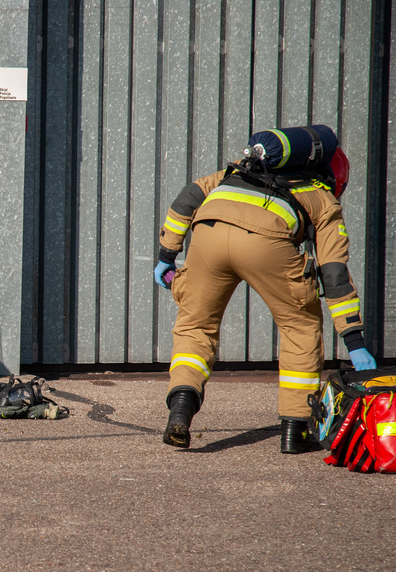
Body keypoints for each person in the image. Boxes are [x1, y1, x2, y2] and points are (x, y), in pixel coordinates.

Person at [153, 125, 377, 454]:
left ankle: (182, 408)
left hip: (209, 233)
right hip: (266, 243)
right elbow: (334, 272)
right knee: (300, 326)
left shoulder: (235, 173)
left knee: (195, 325)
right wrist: (353, 340)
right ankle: (295, 430)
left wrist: (167, 255)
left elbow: (188, 197)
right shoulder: (321, 199)